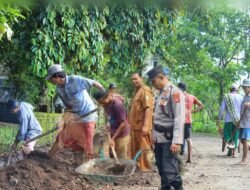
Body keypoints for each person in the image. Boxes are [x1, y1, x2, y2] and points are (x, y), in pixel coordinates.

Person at [46, 64, 104, 160]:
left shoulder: (75, 80)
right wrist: (65, 117)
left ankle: (87, 167)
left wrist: (105, 96)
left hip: (88, 113)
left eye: (51, 78)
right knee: (62, 136)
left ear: (57, 76)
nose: (50, 81)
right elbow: (68, 106)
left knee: (87, 140)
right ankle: (48, 158)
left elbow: (94, 83)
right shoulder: (58, 89)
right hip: (75, 114)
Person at [147, 65, 185, 190]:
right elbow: (158, 117)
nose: (153, 84)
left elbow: (179, 118)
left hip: (170, 140)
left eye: (154, 81)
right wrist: (153, 135)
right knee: (162, 170)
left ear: (161, 77)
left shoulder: (175, 92)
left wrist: (177, 141)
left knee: (170, 172)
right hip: (159, 138)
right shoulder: (160, 93)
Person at [93, 90, 130, 159]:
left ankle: (122, 169)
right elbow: (107, 116)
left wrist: (113, 138)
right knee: (112, 154)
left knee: (121, 156)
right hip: (113, 132)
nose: (102, 105)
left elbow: (123, 123)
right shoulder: (106, 104)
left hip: (121, 134)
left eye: (102, 102)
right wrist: (107, 127)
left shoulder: (117, 105)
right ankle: (114, 167)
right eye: (100, 103)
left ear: (106, 98)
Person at [129, 72, 154, 171]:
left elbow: (148, 108)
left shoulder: (145, 90)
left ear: (141, 78)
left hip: (142, 126)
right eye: (132, 80)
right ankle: (138, 166)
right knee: (136, 148)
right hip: (135, 126)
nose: (134, 81)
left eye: (136, 79)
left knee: (144, 148)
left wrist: (146, 126)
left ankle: (146, 168)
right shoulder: (137, 91)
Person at [178, 82, 204, 163]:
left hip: (179, 120)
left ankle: (177, 157)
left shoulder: (177, 96)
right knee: (188, 139)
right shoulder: (191, 97)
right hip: (188, 120)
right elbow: (202, 105)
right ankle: (189, 158)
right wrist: (192, 111)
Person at [218, 84, 243, 158]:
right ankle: (233, 153)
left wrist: (219, 118)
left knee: (227, 135)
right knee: (235, 135)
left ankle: (230, 150)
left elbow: (222, 109)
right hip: (238, 120)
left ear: (230, 90)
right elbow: (242, 109)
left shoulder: (226, 97)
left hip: (228, 119)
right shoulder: (240, 97)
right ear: (236, 90)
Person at [238, 79, 250, 164]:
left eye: (245, 88)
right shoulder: (245, 96)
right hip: (242, 120)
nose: (244, 89)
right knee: (242, 140)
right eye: (243, 88)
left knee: (245, 140)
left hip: (248, 122)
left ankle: (244, 159)